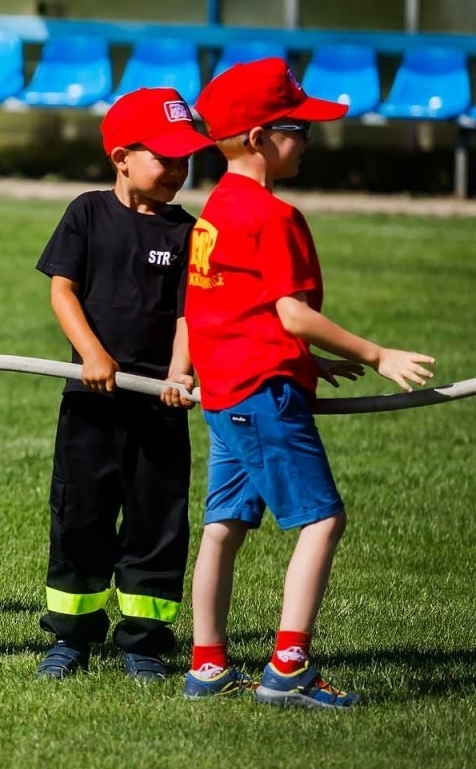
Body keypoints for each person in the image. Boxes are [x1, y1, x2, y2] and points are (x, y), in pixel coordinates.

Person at [182, 58, 436, 708]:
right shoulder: (273, 215)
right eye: (298, 127)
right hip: (261, 396)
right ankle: (289, 666)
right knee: (322, 520)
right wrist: (378, 353)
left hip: (225, 393)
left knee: (223, 526)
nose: (310, 139)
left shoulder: (215, 207)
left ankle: (207, 664)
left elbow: (235, 311)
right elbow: (291, 311)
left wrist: (304, 362)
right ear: (260, 136)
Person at [32, 88, 212, 682]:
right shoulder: (86, 212)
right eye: (165, 158)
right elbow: (62, 290)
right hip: (91, 401)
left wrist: (180, 373)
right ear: (121, 157)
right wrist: (93, 355)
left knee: (157, 521)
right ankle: (70, 638)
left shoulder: (190, 233)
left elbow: (190, 314)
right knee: (80, 515)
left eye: (187, 160)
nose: (178, 171)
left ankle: (145, 640)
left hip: (160, 405)